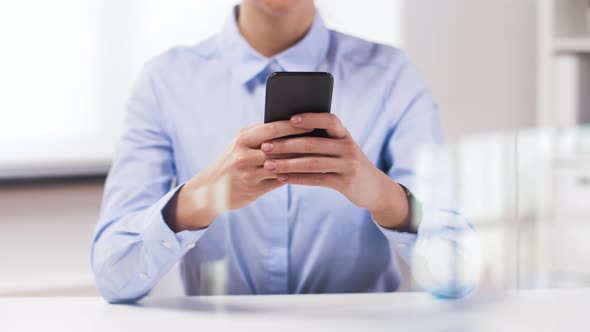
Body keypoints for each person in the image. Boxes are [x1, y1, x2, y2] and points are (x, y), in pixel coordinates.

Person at [91, 0, 478, 303]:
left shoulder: (392, 75)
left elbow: (459, 271)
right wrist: (200, 198)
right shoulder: (164, 82)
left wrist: (384, 197)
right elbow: (113, 274)